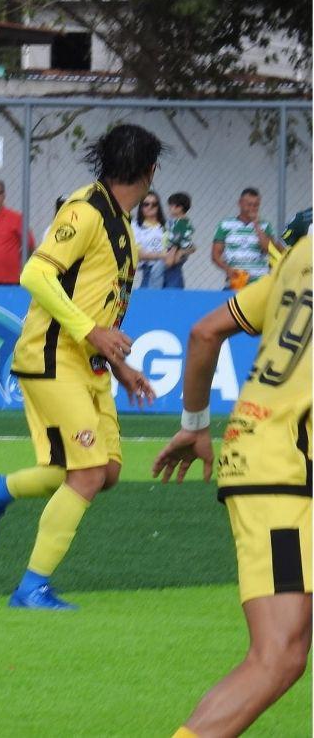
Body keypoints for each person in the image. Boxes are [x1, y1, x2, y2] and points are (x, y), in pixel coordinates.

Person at [0, 124, 162, 610]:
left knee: (106, 471)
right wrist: (90, 333)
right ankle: (31, 587)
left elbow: (102, 304)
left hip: (90, 366)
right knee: (87, 472)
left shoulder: (123, 227)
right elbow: (34, 272)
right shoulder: (86, 210)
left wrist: (120, 366)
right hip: (52, 358)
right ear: (148, 171)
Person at [153, 236, 311, 737]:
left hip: (264, 451)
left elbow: (205, 333)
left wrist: (195, 422)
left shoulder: (301, 258)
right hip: (283, 472)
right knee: (278, 655)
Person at [212, 187, 277, 288]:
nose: (252, 208)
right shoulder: (225, 224)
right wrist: (228, 269)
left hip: (259, 282)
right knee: (227, 303)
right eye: (249, 204)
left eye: (256, 205)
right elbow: (215, 254)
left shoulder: (265, 225)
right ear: (240, 203)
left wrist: (256, 225)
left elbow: (269, 250)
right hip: (236, 280)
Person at [132, 190, 167, 289]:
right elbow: (139, 253)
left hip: (170, 269)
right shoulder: (135, 226)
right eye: (146, 204)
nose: (150, 207)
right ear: (141, 207)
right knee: (148, 300)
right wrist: (163, 256)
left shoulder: (166, 226)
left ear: (158, 207)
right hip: (150, 269)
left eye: (154, 204)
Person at [162, 192, 196, 288]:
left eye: (171, 206)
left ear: (180, 207)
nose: (169, 208)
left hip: (175, 250)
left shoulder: (180, 223)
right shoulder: (182, 221)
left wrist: (172, 256)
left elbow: (176, 241)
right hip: (179, 248)